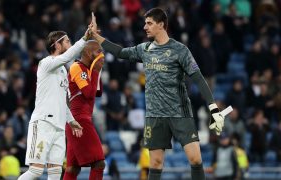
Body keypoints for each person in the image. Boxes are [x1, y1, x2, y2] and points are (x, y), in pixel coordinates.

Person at [90, 8, 225, 180]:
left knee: (196, 159)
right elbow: (119, 52)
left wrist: (213, 108)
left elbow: (198, 79)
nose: (145, 27)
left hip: (180, 113)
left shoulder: (180, 50)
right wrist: (96, 36)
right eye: (145, 23)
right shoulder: (144, 49)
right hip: (155, 115)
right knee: (154, 164)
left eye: (149, 23)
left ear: (161, 25)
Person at [17, 27, 91, 179]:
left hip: (59, 127)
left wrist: (71, 121)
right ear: (57, 45)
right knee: (35, 171)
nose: (70, 45)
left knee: (56, 174)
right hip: (43, 123)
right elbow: (67, 57)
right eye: (67, 41)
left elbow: (62, 101)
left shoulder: (63, 71)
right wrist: (84, 39)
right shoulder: (46, 63)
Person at [63, 40, 105, 180]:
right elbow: (88, 93)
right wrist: (96, 71)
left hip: (76, 121)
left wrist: (96, 71)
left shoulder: (88, 70)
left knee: (72, 168)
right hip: (79, 120)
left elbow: (98, 92)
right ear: (88, 52)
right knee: (99, 163)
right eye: (98, 52)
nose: (101, 55)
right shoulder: (77, 67)